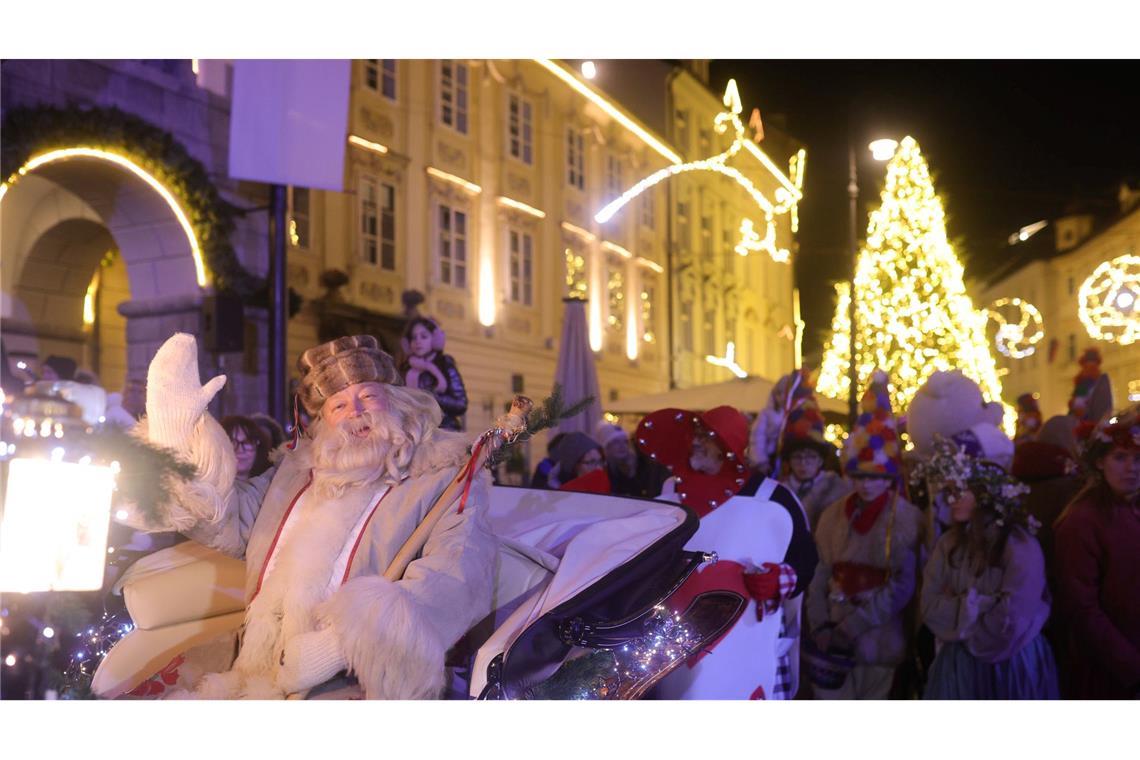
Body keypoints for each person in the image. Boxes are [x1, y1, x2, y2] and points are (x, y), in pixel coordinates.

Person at [126, 332, 497, 699]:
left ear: (397, 401)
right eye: (339, 406)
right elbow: (229, 521)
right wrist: (180, 450)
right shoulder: (297, 472)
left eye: (368, 396)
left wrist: (339, 646)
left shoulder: (445, 476)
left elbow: (457, 575)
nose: (356, 412)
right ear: (324, 422)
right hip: (256, 662)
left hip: (355, 676)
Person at [638, 405, 817, 699]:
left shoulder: (774, 497)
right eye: (696, 434)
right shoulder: (669, 495)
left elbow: (806, 559)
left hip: (747, 644)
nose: (697, 442)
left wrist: (779, 580)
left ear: (728, 446)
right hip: (673, 649)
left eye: (707, 436)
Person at [806, 370, 924, 700]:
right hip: (830, 636)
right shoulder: (832, 514)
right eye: (859, 476)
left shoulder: (905, 519)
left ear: (889, 479)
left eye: (876, 478)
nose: (867, 485)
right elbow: (820, 572)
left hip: (879, 637)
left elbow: (902, 584)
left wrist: (852, 626)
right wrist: (820, 624)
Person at [915, 436, 1058, 699]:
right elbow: (929, 604)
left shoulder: (1018, 545)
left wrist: (966, 623)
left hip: (1011, 661)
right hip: (959, 662)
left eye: (961, 492)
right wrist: (980, 605)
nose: (952, 499)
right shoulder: (949, 544)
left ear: (985, 495)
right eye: (950, 492)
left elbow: (1014, 614)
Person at [1053, 405, 1140, 699]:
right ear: (1101, 462)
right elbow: (1081, 608)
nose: (1132, 468)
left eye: (1138, 458)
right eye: (1120, 457)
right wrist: (1131, 666)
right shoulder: (1082, 521)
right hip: (1108, 674)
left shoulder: (1132, 508)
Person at [774, 373, 849, 531]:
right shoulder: (780, 491)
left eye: (810, 457)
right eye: (797, 457)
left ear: (820, 461)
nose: (803, 463)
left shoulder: (836, 490)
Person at [399, 317, 468, 431]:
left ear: (435, 340)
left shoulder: (445, 364)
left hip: (444, 432)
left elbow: (461, 404)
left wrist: (430, 396)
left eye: (424, 336)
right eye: (414, 337)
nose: (418, 341)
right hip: (414, 432)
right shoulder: (405, 369)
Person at [596, 421, 669, 499]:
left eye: (625, 441)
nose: (622, 446)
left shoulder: (647, 464)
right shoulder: (607, 471)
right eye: (616, 442)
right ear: (606, 447)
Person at [221, 415, 273, 480]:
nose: (240, 450)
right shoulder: (210, 485)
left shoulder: (273, 482)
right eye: (232, 442)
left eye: (247, 442)